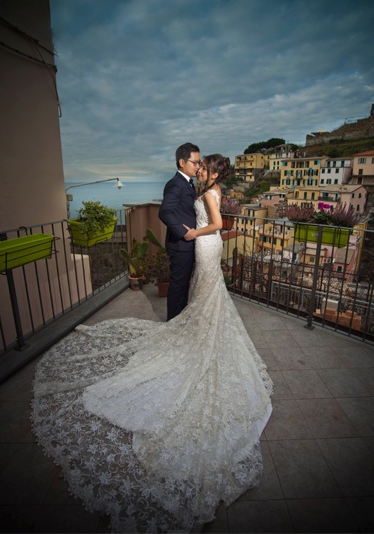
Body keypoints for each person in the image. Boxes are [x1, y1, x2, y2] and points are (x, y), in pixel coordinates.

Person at [31, 154, 274, 532]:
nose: (201, 168)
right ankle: (198, 335)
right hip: (203, 248)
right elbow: (192, 214)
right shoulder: (201, 187)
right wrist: (193, 231)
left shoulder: (211, 190)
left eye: (204, 165)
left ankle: (202, 338)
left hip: (205, 247)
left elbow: (220, 223)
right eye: (199, 163)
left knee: (207, 295)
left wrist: (193, 234)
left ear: (212, 171)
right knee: (204, 297)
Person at [159, 142, 200, 320]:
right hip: (180, 245)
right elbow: (165, 212)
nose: (198, 167)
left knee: (183, 286)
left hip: (187, 245)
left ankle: (180, 321)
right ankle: (173, 324)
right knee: (178, 286)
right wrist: (184, 233)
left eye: (199, 163)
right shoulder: (176, 184)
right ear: (182, 162)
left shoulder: (188, 184)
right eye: (195, 162)